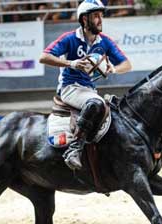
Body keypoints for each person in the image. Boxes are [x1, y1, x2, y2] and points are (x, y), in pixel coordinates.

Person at [39, 0, 132, 170]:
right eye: (96, 15)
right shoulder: (69, 38)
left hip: (88, 90)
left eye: (101, 15)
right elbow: (44, 57)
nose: (100, 19)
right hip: (69, 87)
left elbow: (127, 64)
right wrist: (72, 64)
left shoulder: (105, 41)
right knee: (97, 103)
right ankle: (74, 149)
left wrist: (114, 68)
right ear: (84, 19)